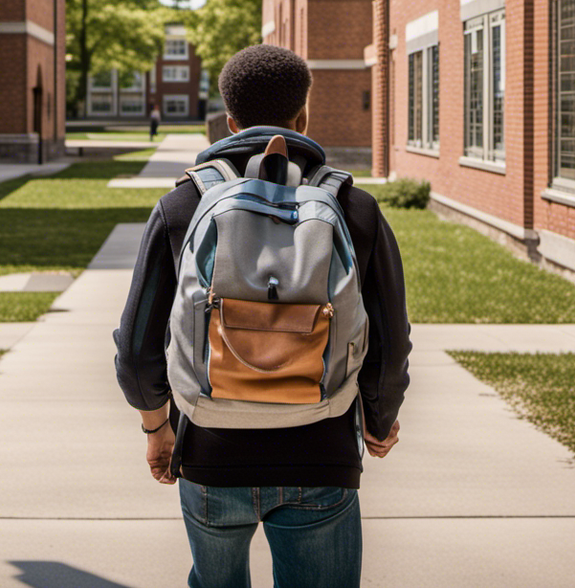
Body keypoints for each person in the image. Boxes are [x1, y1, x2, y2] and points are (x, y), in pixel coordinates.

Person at [114, 45, 411, 588]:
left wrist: (157, 428)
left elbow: (136, 348)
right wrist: (379, 416)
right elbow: (391, 342)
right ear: (303, 117)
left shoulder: (182, 206)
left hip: (208, 450)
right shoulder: (354, 207)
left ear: (228, 122)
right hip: (321, 453)